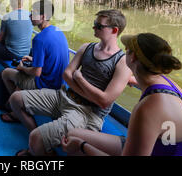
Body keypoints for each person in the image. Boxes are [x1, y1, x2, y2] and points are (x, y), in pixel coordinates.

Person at [61, 33, 182, 156]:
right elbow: (142, 79)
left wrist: (82, 146)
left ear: (133, 58)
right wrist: (126, 79)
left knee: (77, 144)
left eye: (127, 49)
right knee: (73, 134)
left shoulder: (147, 108)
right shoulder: (167, 82)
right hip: (160, 148)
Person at [9, 9, 133, 156]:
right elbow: (67, 74)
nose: (94, 27)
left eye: (99, 26)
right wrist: (86, 90)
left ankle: (39, 148)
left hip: (86, 112)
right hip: (63, 95)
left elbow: (104, 101)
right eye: (94, 24)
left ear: (114, 30)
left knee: (36, 138)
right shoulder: (87, 47)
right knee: (15, 99)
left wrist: (79, 79)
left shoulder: (122, 62)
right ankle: (43, 148)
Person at [0, 0, 69, 123]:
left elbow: (36, 72)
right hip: (60, 82)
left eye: (33, 13)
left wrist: (22, 68)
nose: (30, 16)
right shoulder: (58, 31)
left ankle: (16, 109)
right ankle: (16, 105)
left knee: (6, 73)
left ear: (42, 17)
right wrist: (34, 59)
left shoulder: (39, 39)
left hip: (45, 84)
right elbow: (51, 57)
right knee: (23, 73)